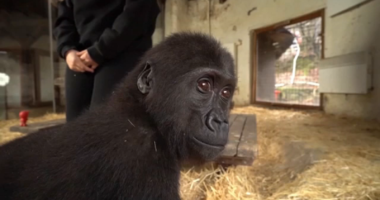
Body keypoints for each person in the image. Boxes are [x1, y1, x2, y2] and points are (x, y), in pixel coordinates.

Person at [53, 0, 161, 122]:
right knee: (74, 128)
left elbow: (136, 14)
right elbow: (64, 17)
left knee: (106, 125)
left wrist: (100, 50)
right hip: (79, 56)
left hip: (123, 52)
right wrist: (67, 50)